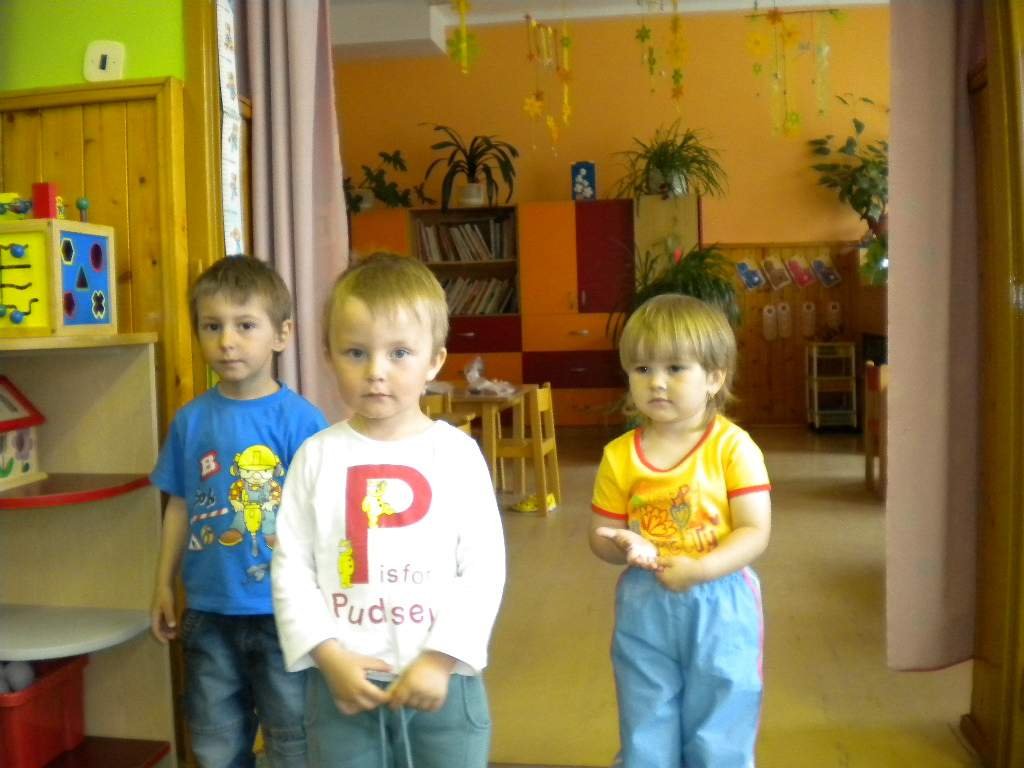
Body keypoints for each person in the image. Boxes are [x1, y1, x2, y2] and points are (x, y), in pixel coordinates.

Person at [272, 252, 506, 768]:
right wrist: (327, 655)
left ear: (434, 361)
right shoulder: (315, 456)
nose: (376, 371)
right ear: (329, 357)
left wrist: (440, 658)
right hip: (342, 685)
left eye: (399, 353)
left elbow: (483, 569)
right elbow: (291, 568)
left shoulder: (457, 455)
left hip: (443, 684)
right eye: (356, 352)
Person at [150, 255, 329, 767]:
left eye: (245, 325)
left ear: (281, 334)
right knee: (214, 740)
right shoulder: (190, 421)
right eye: (213, 326)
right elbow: (179, 506)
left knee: (293, 739)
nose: (227, 341)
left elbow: (323, 518)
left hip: (285, 612)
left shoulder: (303, 422)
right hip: (208, 612)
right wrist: (163, 584)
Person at [589, 293, 772, 768]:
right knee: (645, 715)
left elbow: (755, 530)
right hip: (644, 600)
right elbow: (602, 534)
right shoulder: (619, 455)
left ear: (714, 377)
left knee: (722, 713)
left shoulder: (733, 447)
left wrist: (702, 568)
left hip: (721, 600)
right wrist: (624, 544)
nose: (657, 382)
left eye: (675, 368)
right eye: (642, 369)